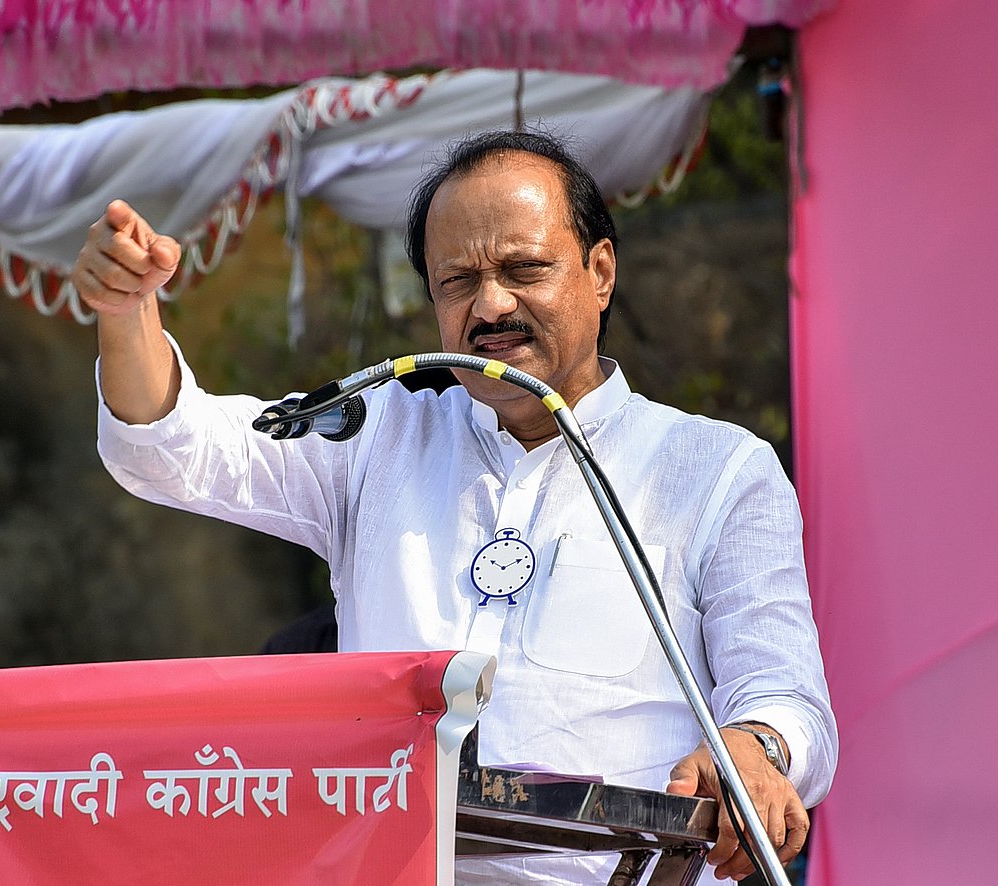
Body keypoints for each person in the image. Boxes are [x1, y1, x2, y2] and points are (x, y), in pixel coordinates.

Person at [72, 130, 837, 884]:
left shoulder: (718, 470)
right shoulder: (379, 438)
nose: (491, 305)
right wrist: (127, 311)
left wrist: (754, 748)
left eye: (523, 268)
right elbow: (172, 449)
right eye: (457, 282)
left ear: (600, 272)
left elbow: (786, 700)